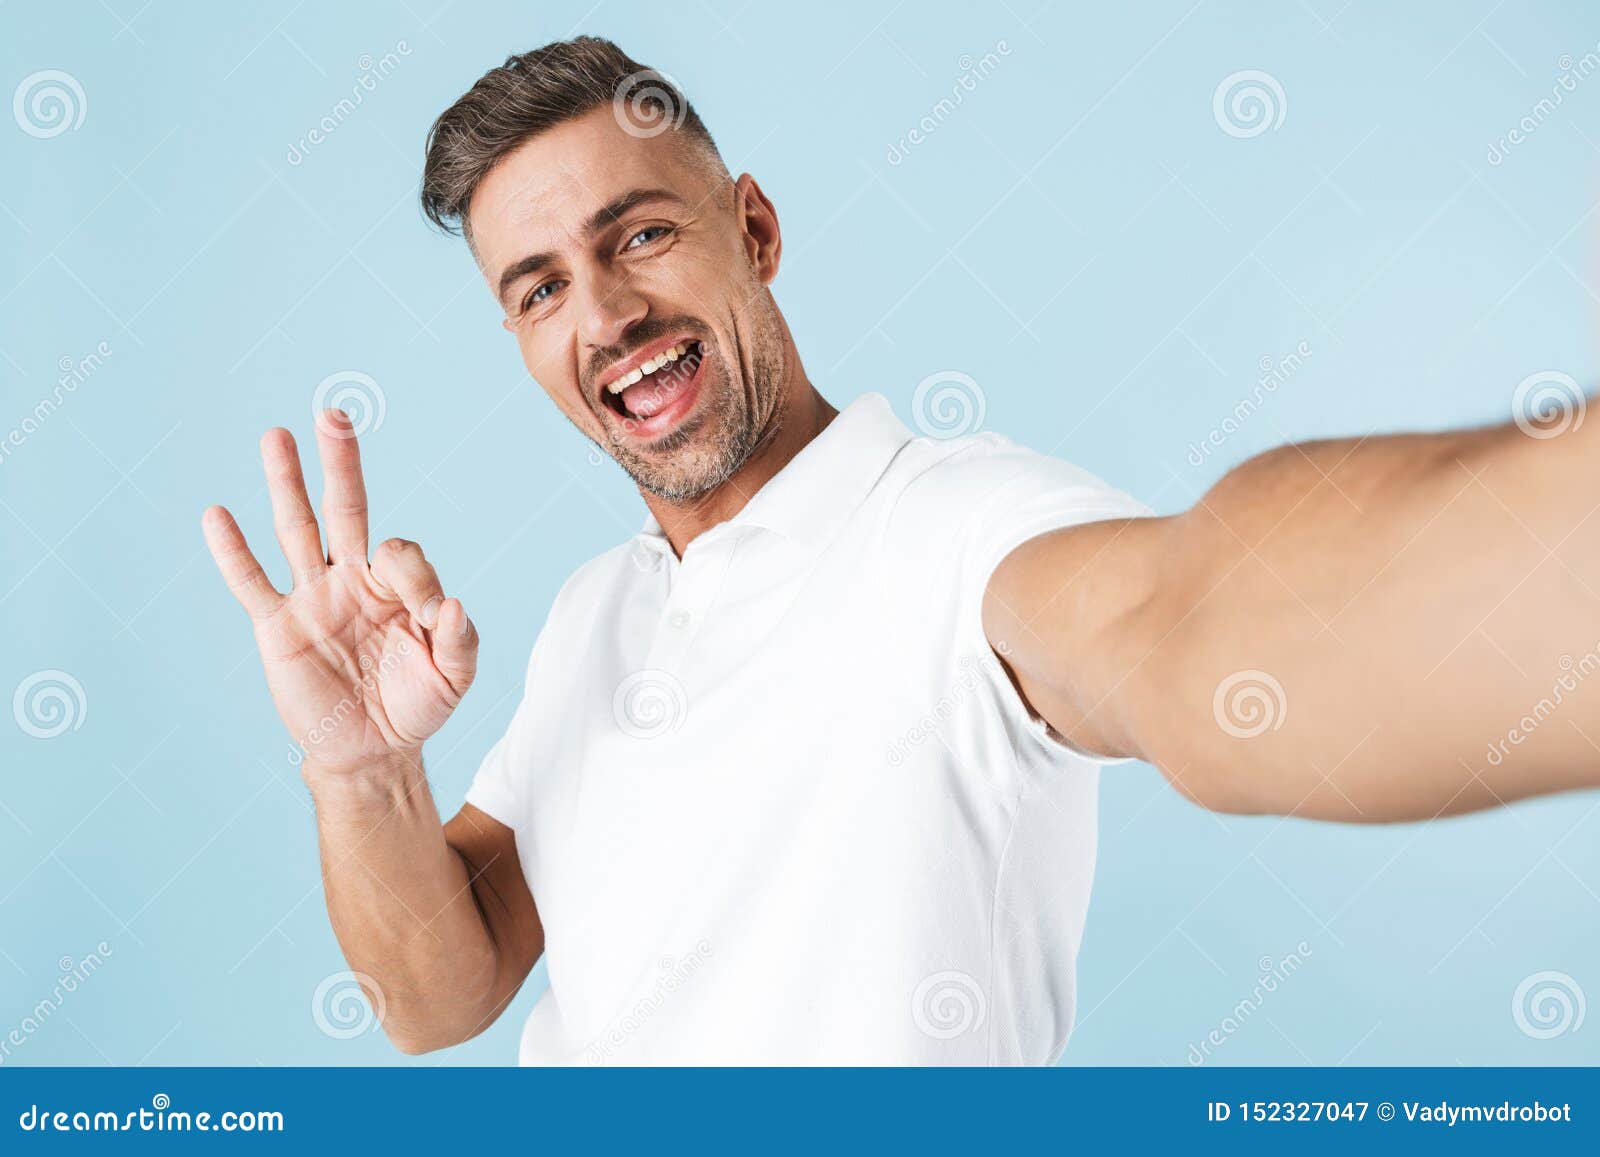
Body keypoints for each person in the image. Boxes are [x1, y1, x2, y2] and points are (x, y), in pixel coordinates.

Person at [201, 37, 1600, 1064]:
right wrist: (363, 769)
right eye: (541, 288)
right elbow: (440, 993)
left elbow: (1196, 621)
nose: (609, 312)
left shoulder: (958, 528)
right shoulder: (594, 616)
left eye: (639, 234)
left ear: (753, 229)